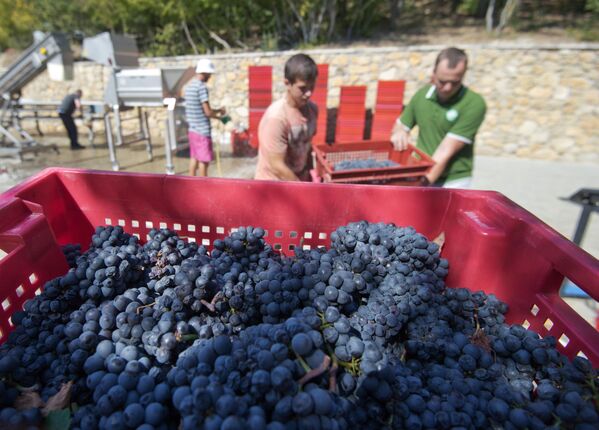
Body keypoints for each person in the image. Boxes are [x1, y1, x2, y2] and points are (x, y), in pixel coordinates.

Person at [390, 47, 486, 188]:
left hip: (453, 181)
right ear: (433, 74)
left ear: (463, 75)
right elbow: (401, 125)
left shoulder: (474, 103)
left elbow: (445, 151)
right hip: (420, 173)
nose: (447, 88)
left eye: (455, 82)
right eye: (442, 81)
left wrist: (420, 185)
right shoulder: (421, 96)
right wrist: (399, 132)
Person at [255, 54, 318, 181]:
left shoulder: (313, 110)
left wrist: (312, 177)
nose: (309, 93)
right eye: (303, 88)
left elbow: (307, 146)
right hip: (273, 187)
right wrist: (303, 190)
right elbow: (277, 166)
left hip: (298, 181)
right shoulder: (276, 119)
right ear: (287, 83)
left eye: (312, 86)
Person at [184, 58, 226, 177]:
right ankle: (203, 186)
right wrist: (220, 117)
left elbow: (200, 109)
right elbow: (207, 112)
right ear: (205, 72)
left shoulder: (190, 86)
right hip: (202, 132)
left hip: (192, 130)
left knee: (194, 158)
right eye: (209, 74)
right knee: (204, 161)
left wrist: (217, 111)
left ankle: (190, 184)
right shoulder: (201, 87)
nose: (210, 76)